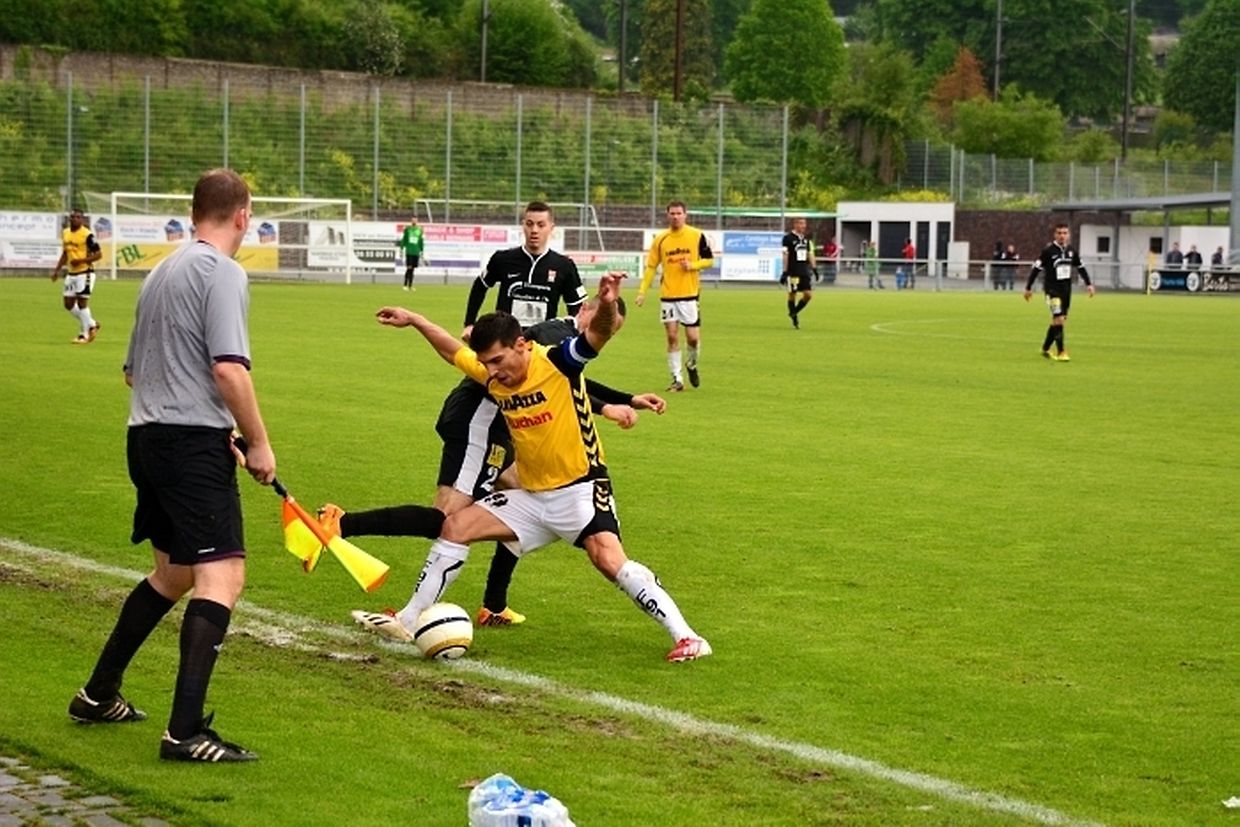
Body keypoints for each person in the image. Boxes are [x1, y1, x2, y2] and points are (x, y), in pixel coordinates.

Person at [354, 273, 711, 663]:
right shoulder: (494, 374)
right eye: (486, 363)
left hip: (580, 489)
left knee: (608, 560)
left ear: (521, 345)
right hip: (532, 496)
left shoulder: (558, 361)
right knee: (455, 527)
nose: (491, 371)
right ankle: (407, 621)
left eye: (497, 361)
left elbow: (599, 335)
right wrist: (415, 320)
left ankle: (688, 637)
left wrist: (608, 304)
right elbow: (452, 350)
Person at [67, 169, 277, 763]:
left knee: (175, 572)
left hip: (146, 436)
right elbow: (228, 368)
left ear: (192, 213)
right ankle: (185, 732)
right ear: (243, 215)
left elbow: (133, 373)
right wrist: (258, 442)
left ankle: (97, 694)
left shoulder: (160, 271)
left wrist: (210, 423)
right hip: (187, 444)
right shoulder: (223, 271)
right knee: (222, 577)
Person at [318, 297, 666, 627]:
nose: (608, 329)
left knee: (524, 496)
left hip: (503, 430)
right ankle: (342, 523)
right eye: (608, 323)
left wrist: (627, 400)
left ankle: (494, 605)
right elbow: (556, 378)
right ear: (587, 310)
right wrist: (610, 406)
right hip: (479, 424)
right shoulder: (554, 336)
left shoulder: (553, 344)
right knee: (449, 518)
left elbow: (566, 380)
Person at [463, 202, 586, 332]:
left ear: (551, 228)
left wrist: (573, 333)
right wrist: (469, 324)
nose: (534, 230)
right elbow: (480, 286)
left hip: (542, 341)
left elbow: (577, 305)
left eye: (541, 225)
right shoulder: (503, 259)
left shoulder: (564, 265)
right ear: (523, 225)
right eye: (529, 224)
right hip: (505, 338)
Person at [636, 201, 714, 391]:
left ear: (685, 215)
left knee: (693, 338)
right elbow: (651, 267)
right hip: (668, 296)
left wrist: (693, 265)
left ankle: (692, 364)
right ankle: (677, 379)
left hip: (690, 295)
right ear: (667, 215)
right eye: (672, 213)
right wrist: (642, 292)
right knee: (672, 337)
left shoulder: (696, 235)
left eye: (679, 213)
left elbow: (709, 260)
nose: (675, 217)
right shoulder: (661, 239)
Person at [1023, 222, 1095, 362]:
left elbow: (1081, 267)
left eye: (1065, 233)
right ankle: (1061, 352)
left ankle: (1045, 348)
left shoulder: (1071, 251)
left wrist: (1089, 284)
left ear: (1069, 235)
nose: (1062, 236)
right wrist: (1028, 288)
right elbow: (1036, 269)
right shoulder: (1048, 251)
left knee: (1059, 321)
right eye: (1059, 233)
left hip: (1066, 291)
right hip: (1052, 291)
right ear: (1055, 235)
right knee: (1059, 319)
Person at [51, 209, 103, 344]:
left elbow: (98, 255)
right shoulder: (66, 233)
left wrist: (80, 261)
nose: (74, 219)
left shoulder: (87, 235)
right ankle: (92, 324)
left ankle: (83, 335)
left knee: (82, 304)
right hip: (71, 273)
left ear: (82, 220)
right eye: (72, 217)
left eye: (77, 217)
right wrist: (57, 270)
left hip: (85, 273)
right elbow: (65, 253)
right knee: (68, 304)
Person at [780, 217, 815, 329]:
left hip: (804, 270)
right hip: (793, 271)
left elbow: (809, 253)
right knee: (792, 294)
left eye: (804, 223)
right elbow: (785, 255)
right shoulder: (787, 238)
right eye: (800, 223)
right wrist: (785, 271)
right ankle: (794, 318)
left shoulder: (805, 239)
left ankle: (794, 312)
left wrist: (814, 268)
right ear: (795, 224)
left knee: (808, 295)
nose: (803, 226)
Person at [397, 215, 425, 291]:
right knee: (409, 268)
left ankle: (410, 285)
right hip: (409, 251)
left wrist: (422, 251)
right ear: (411, 221)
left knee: (412, 270)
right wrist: (401, 248)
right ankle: (405, 284)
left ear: (417, 221)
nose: (414, 221)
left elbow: (421, 241)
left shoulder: (420, 230)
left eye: (415, 220)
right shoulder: (407, 229)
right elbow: (404, 239)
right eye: (413, 220)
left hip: (416, 252)